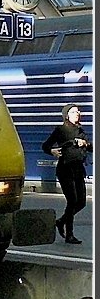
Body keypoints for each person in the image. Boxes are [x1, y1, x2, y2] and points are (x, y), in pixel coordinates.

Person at [42, 103, 92, 244]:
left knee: (81, 202)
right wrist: (52, 151)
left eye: (78, 111)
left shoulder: (80, 131)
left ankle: (61, 221)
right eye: (74, 112)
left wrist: (86, 144)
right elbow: (45, 145)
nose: (78, 113)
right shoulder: (60, 130)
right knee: (72, 201)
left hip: (78, 170)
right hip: (65, 169)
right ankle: (69, 235)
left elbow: (92, 148)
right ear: (67, 115)